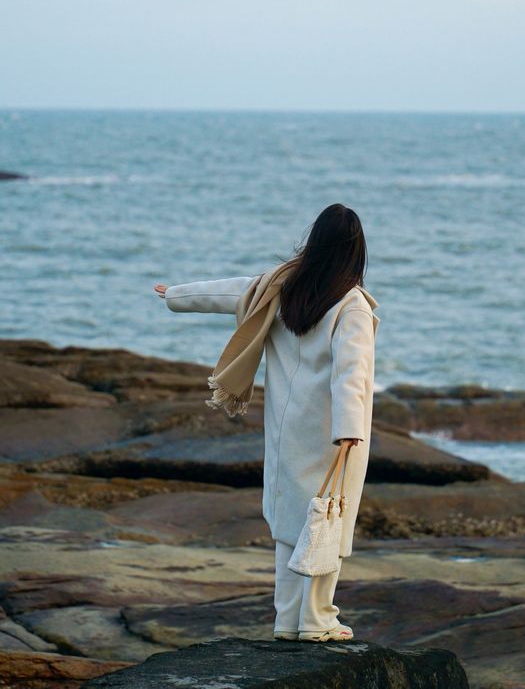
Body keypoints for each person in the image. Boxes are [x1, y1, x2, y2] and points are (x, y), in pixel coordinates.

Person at [154, 202, 380, 642]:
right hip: (333, 435)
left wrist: (176, 295)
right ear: (356, 252)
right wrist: (350, 431)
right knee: (325, 524)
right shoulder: (350, 304)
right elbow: (350, 373)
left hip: (284, 430)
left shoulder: (283, 287)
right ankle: (317, 620)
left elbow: (233, 292)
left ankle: (287, 620)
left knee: (291, 526)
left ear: (314, 243)